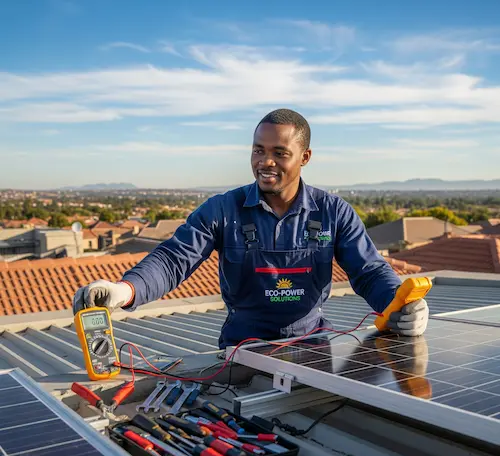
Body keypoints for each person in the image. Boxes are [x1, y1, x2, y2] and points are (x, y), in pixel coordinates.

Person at [73, 109, 429, 348]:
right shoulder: (223, 209)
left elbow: (369, 271)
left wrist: (400, 303)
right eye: (258, 150)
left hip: (313, 348)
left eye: (279, 152)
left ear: (305, 157)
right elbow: (173, 260)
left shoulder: (333, 211)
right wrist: (125, 290)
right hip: (241, 350)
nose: (265, 162)